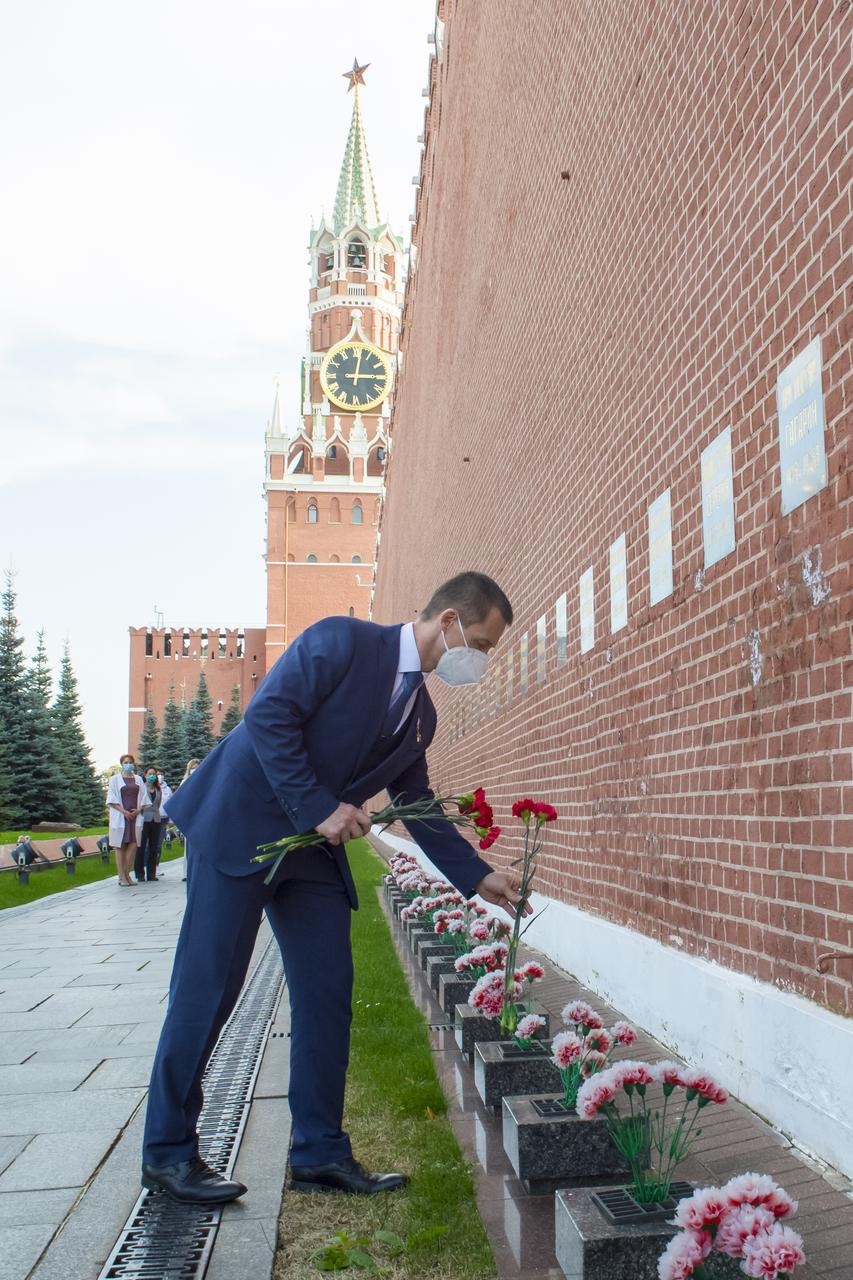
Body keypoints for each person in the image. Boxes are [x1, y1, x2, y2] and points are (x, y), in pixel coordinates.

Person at [143, 572, 529, 1205]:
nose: (479, 660)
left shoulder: (420, 716)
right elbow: (268, 716)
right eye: (481, 644)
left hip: (310, 857)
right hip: (238, 827)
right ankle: (166, 1152)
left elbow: (417, 802)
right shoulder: (343, 642)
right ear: (452, 621)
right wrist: (323, 807)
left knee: (328, 992)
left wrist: (478, 875)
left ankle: (319, 1152)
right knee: (207, 992)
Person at [106, 754, 146, 887]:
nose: (128, 764)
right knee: (120, 846)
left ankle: (127, 874)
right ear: (122, 764)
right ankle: (121, 876)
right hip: (120, 816)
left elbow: (144, 797)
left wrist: (138, 810)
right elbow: (111, 799)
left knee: (133, 844)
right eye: (126, 762)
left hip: (135, 817)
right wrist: (124, 812)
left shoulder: (138, 779)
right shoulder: (114, 780)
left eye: (130, 762)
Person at [134, 766, 163, 884]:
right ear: (145, 775)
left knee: (153, 847)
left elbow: (158, 804)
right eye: (150, 774)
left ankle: (152, 873)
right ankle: (140, 873)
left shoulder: (158, 789)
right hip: (143, 819)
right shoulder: (141, 788)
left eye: (154, 774)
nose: (152, 776)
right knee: (141, 846)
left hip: (155, 820)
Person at [175, 758, 201, 882]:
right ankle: (187, 872)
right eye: (193, 768)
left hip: (201, 817)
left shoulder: (203, 780)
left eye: (197, 767)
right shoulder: (185, 782)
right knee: (188, 846)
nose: (195, 770)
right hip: (190, 817)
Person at [153, 768, 174, 877]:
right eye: (157, 774)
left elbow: (171, 803)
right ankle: (149, 866)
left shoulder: (167, 789)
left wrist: (171, 820)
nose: (159, 776)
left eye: (161, 774)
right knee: (150, 843)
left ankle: (156, 866)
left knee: (158, 844)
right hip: (152, 818)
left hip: (163, 819)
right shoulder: (151, 787)